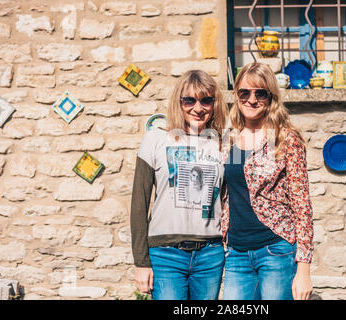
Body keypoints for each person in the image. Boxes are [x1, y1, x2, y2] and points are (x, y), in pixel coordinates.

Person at [131, 70, 229, 300]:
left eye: (206, 100)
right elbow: (139, 205)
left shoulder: (223, 143)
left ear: (214, 104)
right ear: (179, 102)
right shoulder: (155, 139)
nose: (198, 107)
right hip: (165, 254)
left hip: (210, 254)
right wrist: (141, 262)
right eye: (189, 100)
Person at [221, 62, 314, 300]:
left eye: (259, 93)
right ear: (237, 95)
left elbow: (302, 205)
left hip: (275, 250)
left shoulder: (286, 139)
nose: (251, 100)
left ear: (270, 97)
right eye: (244, 93)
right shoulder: (227, 140)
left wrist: (303, 269)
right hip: (236, 253)